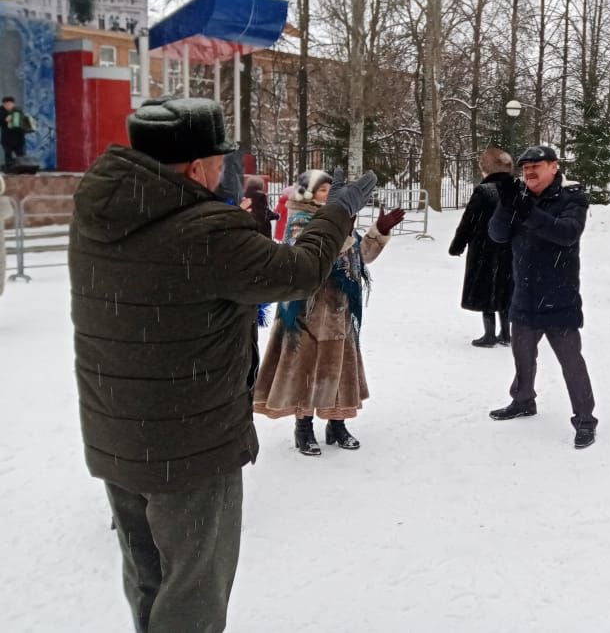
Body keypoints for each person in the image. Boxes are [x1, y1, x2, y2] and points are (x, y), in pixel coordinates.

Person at [68, 97, 376, 632]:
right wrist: (340, 208)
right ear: (196, 167)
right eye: (220, 159)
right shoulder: (206, 232)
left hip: (116, 433)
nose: (224, 169)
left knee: (148, 578)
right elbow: (301, 271)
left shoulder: (99, 211)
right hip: (189, 445)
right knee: (193, 592)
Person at [254, 169, 405, 455]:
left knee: (339, 368)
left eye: (329, 190)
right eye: (322, 190)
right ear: (308, 193)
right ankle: (304, 426)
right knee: (306, 369)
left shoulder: (338, 219)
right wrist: (343, 229)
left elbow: (361, 256)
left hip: (339, 310)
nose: (329, 196)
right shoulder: (300, 220)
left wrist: (379, 230)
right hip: (306, 312)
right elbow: (313, 256)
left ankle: (337, 422)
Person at [487, 145, 598, 449]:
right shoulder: (520, 197)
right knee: (523, 357)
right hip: (524, 295)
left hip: (559, 298)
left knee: (571, 362)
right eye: (525, 168)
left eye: (537, 166)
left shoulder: (572, 197)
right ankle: (523, 400)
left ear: (554, 167)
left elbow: (567, 233)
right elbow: (497, 234)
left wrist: (527, 211)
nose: (530, 172)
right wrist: (508, 205)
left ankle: (585, 420)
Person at [449, 147, 514, 347]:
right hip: (510, 248)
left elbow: (469, 221)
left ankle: (489, 335)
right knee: (506, 290)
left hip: (484, 249)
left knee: (487, 291)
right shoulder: (518, 188)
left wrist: (457, 246)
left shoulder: (484, 191)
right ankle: (506, 334)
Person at [1, 96, 28, 170]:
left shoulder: (18, 110)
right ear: (3, 104)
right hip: (7, 139)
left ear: (13, 104)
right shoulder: (1, 111)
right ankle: (9, 170)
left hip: (19, 138)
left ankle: (23, 169)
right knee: (8, 155)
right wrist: (5, 120)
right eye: (6, 104)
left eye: (10, 104)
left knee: (21, 155)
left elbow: (24, 122)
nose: (8, 105)